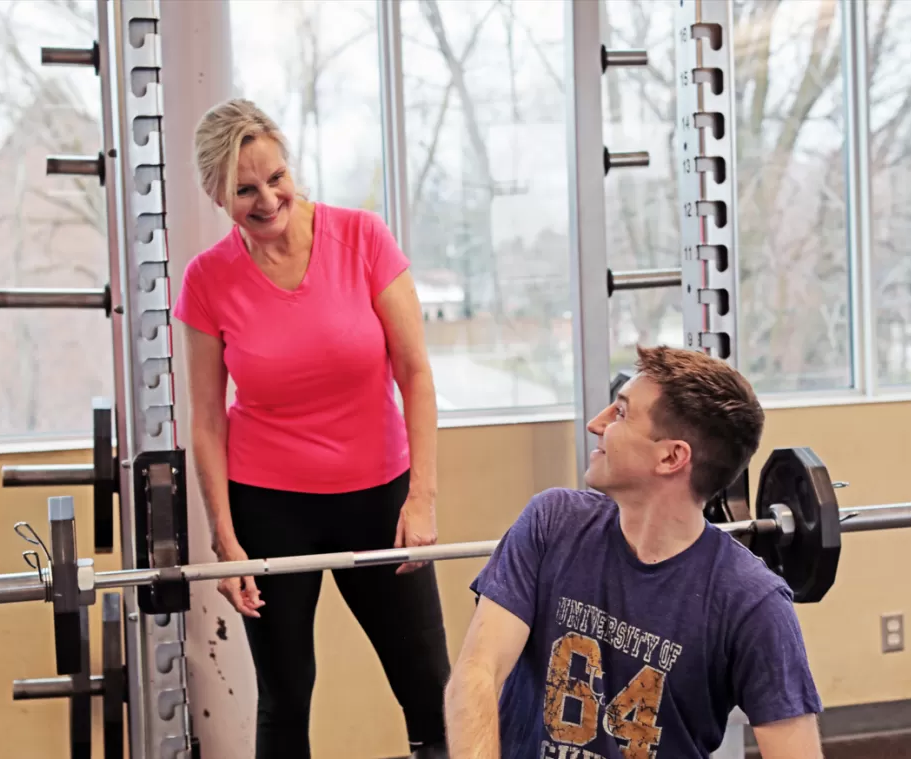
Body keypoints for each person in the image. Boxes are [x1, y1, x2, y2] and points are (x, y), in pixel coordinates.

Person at [173, 98, 449, 759]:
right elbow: (207, 419)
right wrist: (225, 539)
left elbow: (415, 373)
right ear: (218, 194)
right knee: (285, 695)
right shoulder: (208, 280)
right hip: (269, 506)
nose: (268, 199)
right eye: (245, 189)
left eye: (276, 177)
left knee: (428, 688)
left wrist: (422, 496)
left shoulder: (362, 238)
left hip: (380, 495)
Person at [443, 345, 823, 759]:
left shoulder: (752, 603)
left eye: (620, 414)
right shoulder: (551, 524)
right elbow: (477, 672)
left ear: (672, 456)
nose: (596, 424)